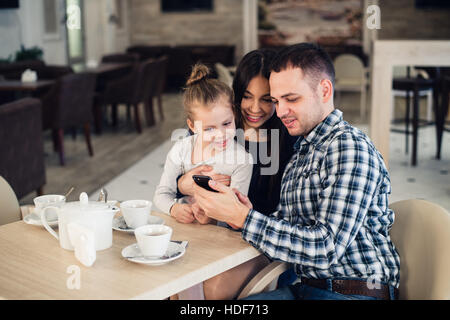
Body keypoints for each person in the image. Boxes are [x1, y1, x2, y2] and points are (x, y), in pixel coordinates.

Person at [193, 43, 401, 300]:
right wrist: (240, 211)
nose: (280, 112)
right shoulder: (304, 150)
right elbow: (287, 226)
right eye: (277, 101)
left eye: (291, 99)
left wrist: (246, 219)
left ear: (324, 90)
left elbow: (326, 247)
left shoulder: (348, 146)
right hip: (306, 289)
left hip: (354, 292)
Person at [175, 49, 297, 300]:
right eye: (247, 96)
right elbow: (178, 187)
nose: (255, 108)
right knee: (172, 283)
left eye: (266, 99)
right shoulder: (215, 124)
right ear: (235, 96)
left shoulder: (287, 139)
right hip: (208, 233)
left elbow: (285, 213)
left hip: (258, 242)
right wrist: (185, 183)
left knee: (213, 290)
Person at [153, 63, 253, 225]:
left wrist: (212, 216)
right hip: (182, 226)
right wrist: (173, 208)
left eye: (226, 123)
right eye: (209, 129)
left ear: (234, 114)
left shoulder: (242, 160)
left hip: (216, 236)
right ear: (192, 126)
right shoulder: (181, 149)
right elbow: (162, 193)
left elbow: (236, 215)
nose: (221, 134)